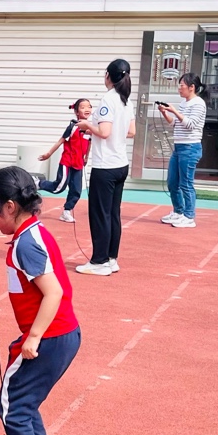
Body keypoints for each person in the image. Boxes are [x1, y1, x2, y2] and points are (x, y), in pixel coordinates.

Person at [0, 166, 81, 435]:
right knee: (26, 399)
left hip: (49, 337)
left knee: (12, 404)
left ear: (9, 207)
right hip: (62, 335)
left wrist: (34, 336)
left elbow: (53, 292)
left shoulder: (26, 244)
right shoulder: (34, 233)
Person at [75, 59, 134, 277]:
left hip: (106, 166)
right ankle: (111, 258)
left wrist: (87, 126)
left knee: (100, 214)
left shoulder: (108, 99)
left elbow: (105, 132)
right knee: (113, 214)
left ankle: (99, 261)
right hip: (121, 164)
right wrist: (98, 130)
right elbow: (131, 132)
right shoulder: (126, 100)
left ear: (108, 76)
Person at [157, 72, 207, 229]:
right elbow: (176, 124)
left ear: (192, 87)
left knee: (186, 183)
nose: (179, 88)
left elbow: (190, 124)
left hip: (190, 147)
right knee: (172, 182)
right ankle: (178, 211)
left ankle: (189, 216)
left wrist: (174, 111)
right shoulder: (184, 103)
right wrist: (165, 112)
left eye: (182, 85)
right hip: (179, 147)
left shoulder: (198, 103)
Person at [37, 98, 93, 224]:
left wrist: (86, 157)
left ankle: (66, 211)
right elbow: (60, 141)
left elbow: (89, 143)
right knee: (59, 187)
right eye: (83, 107)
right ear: (76, 112)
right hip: (67, 161)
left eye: (89, 106)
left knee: (76, 190)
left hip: (78, 163)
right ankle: (39, 183)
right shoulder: (73, 127)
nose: (87, 109)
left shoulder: (90, 128)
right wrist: (49, 154)